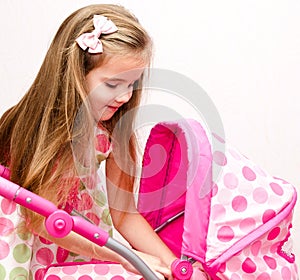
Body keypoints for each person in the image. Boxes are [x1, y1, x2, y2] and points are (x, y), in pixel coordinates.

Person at [0, 4, 187, 280]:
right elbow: (45, 223)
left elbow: (125, 215)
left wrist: (174, 266)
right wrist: (125, 257)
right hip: (26, 255)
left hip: (85, 249)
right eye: (113, 85)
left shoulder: (112, 132)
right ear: (74, 73)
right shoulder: (43, 134)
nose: (124, 96)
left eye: (131, 84)